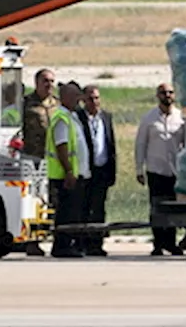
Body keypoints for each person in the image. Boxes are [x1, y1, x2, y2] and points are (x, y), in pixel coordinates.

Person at [135, 83, 186, 256]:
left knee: (173, 207)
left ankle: (171, 243)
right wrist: (139, 168)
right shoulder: (149, 119)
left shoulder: (181, 118)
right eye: (163, 93)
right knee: (157, 207)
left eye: (170, 93)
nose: (167, 95)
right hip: (155, 170)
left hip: (175, 171)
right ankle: (158, 243)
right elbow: (141, 144)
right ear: (157, 96)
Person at [46, 81, 90, 258]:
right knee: (66, 213)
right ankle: (62, 246)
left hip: (75, 173)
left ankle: (70, 243)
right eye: (74, 96)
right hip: (64, 175)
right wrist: (69, 171)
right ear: (65, 98)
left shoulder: (72, 117)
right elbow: (61, 146)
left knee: (74, 211)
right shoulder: (62, 119)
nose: (78, 100)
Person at [20, 68, 59, 256]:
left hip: (53, 161)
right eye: (45, 80)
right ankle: (32, 241)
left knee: (51, 201)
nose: (49, 84)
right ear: (36, 83)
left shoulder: (57, 105)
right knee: (34, 202)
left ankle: (54, 238)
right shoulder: (26, 104)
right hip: (33, 159)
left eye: (51, 81)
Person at [77, 85, 116, 257]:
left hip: (103, 170)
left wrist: (112, 170)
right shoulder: (78, 118)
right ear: (83, 100)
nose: (94, 102)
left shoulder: (106, 117)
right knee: (83, 207)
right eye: (91, 98)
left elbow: (110, 144)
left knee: (99, 209)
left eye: (97, 98)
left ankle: (97, 243)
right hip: (86, 170)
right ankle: (82, 243)